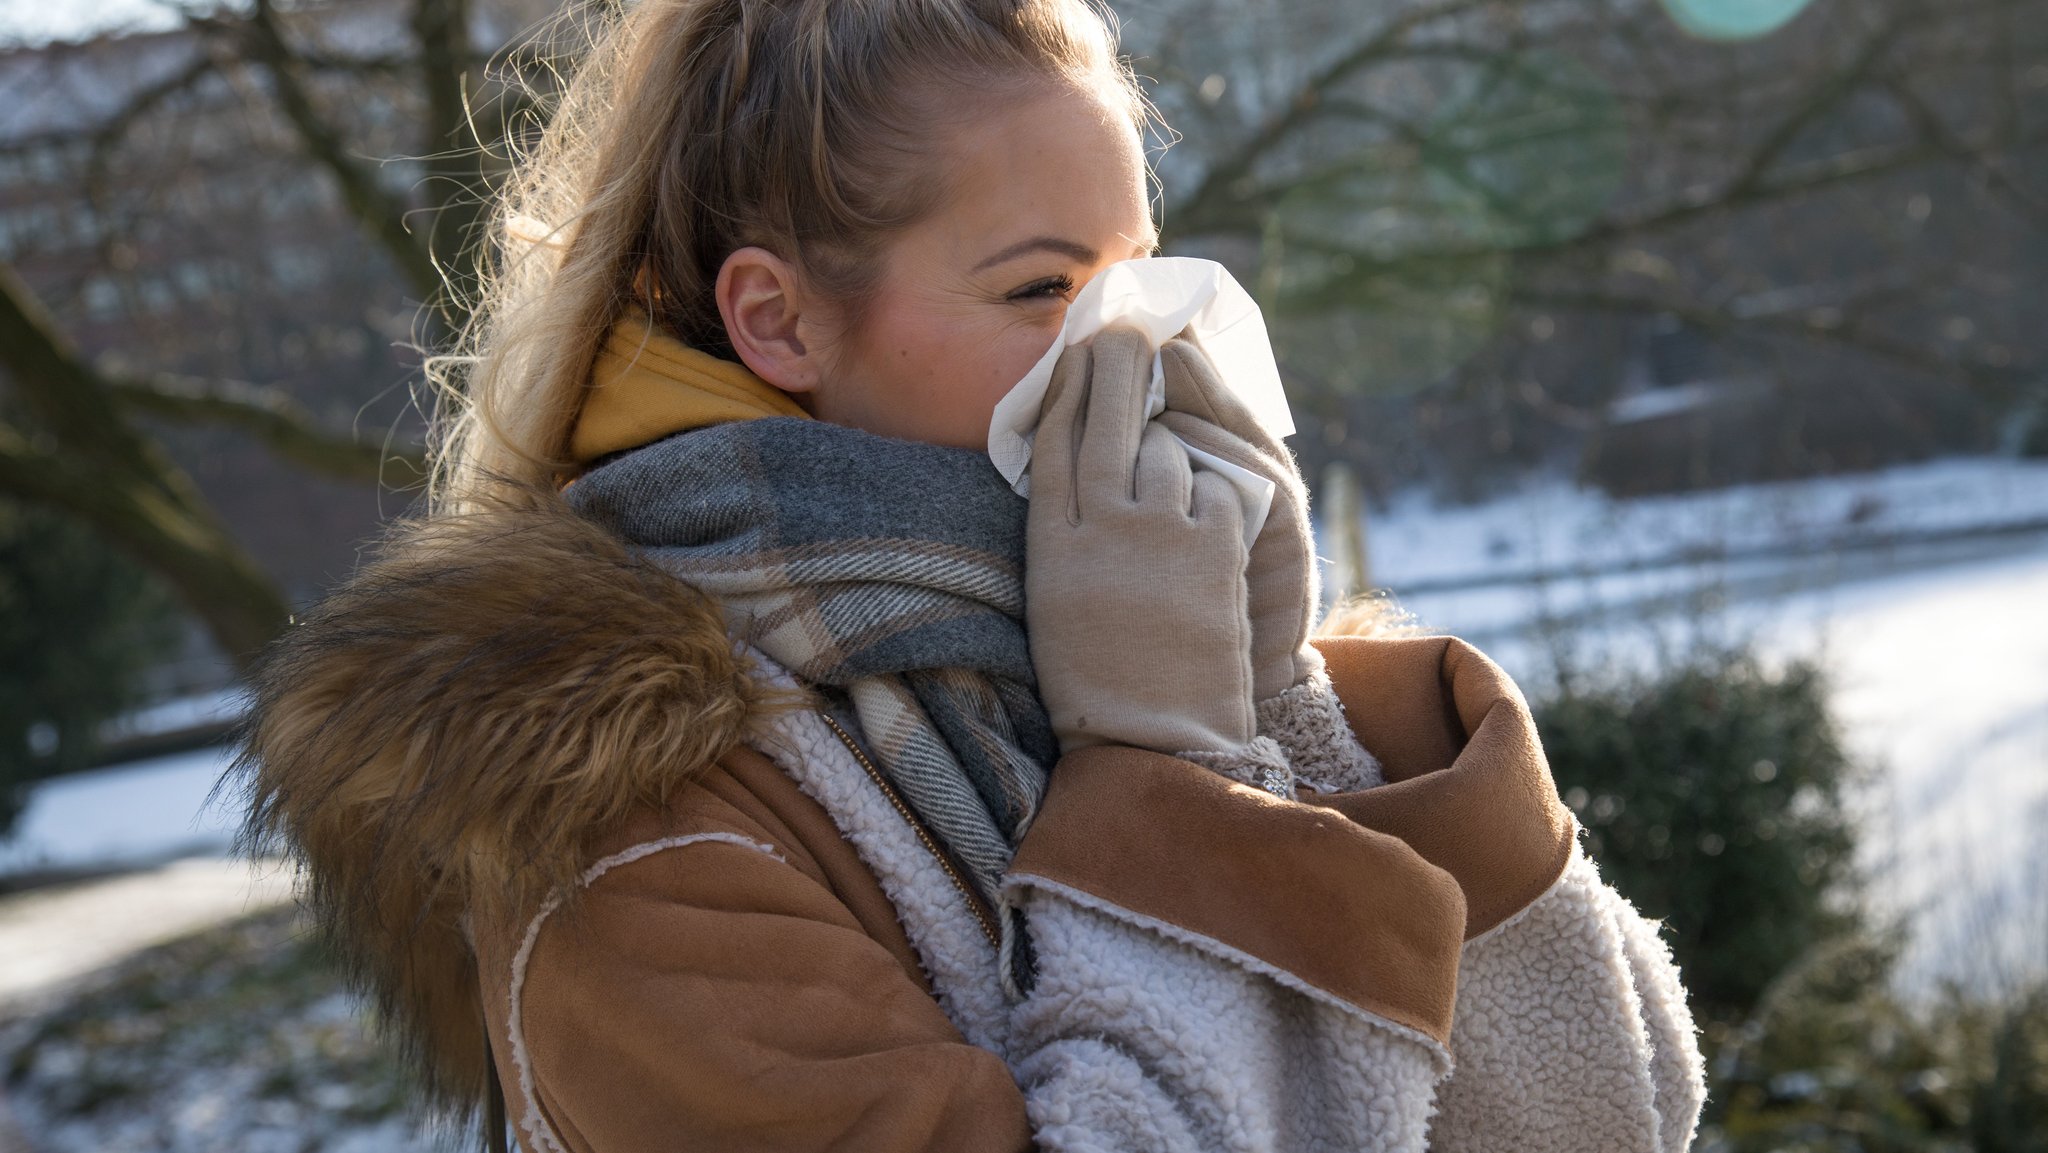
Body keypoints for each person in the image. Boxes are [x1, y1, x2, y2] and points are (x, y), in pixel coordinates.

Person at [236, 0, 1706, 1149]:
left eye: (1140, 272)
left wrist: (1285, 700)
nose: (1133, 346)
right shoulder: (631, 829)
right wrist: (1157, 770)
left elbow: (1607, 1113)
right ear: (780, 322)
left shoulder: (1122, 640)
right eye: (1039, 289)